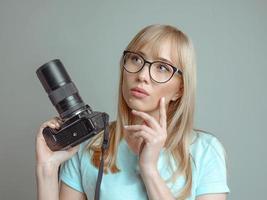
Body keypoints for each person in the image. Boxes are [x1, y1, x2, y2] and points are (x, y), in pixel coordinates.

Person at [35, 24, 230, 200]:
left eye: (162, 67)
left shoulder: (205, 152)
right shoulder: (88, 146)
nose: (142, 75)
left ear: (180, 89)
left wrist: (149, 169)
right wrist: (47, 169)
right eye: (136, 59)